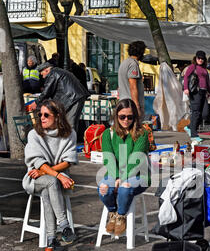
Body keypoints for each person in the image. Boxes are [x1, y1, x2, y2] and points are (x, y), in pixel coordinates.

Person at [22, 99, 78, 251]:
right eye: (40, 114)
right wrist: (58, 175)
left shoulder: (70, 134)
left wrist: (46, 171)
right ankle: (64, 225)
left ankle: (51, 240)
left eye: (46, 114)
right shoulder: (34, 134)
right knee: (52, 181)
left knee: (49, 186)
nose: (42, 117)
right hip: (33, 179)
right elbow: (38, 161)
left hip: (50, 178)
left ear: (58, 116)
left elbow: (68, 161)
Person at [98, 98, 150, 236]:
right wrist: (115, 177)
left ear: (135, 117)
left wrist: (121, 179)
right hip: (114, 172)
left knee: (125, 188)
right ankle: (112, 211)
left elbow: (135, 160)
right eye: (122, 117)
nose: (126, 120)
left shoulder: (142, 133)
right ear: (116, 116)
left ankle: (121, 215)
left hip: (138, 175)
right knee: (103, 188)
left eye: (130, 117)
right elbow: (108, 159)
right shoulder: (107, 134)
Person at [30, 62, 90, 135]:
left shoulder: (53, 74)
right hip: (75, 97)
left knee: (70, 122)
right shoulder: (57, 71)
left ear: (46, 70)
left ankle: (70, 142)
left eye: (42, 73)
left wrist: (36, 102)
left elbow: (47, 91)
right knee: (68, 122)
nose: (42, 76)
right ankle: (68, 139)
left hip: (73, 98)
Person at [183, 50, 210, 142]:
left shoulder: (205, 69)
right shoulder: (193, 66)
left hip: (203, 93)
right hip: (195, 92)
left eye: (202, 58)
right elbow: (186, 77)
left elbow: (208, 82)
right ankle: (193, 134)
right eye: (198, 58)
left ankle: (189, 127)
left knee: (205, 113)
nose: (200, 60)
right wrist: (186, 88)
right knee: (196, 112)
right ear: (196, 58)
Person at [118, 41, 146, 120]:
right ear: (141, 52)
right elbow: (133, 86)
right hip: (131, 104)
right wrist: (137, 106)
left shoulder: (124, 63)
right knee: (135, 129)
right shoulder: (133, 64)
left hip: (124, 102)